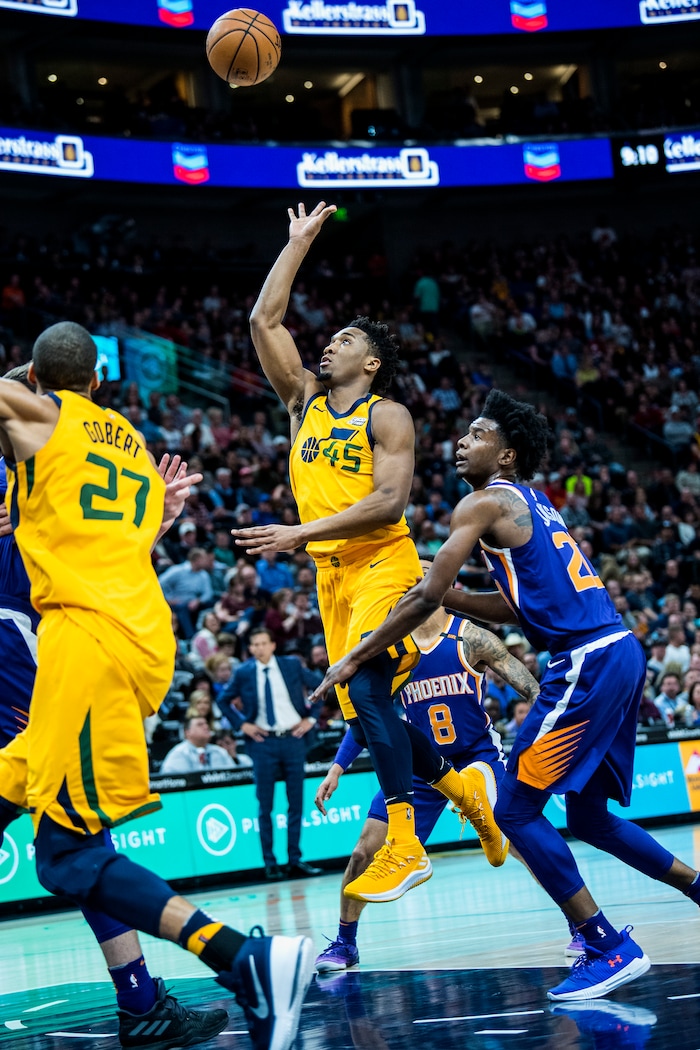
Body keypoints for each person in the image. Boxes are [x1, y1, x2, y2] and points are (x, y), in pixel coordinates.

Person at [314, 388, 700, 1002]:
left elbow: (422, 598)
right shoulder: (533, 504)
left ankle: (606, 944)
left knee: (514, 811)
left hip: (585, 661)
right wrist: (449, 597)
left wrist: (357, 654)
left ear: (508, 454)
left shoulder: (482, 503)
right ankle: (695, 889)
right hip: (618, 650)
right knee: (589, 817)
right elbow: (520, 606)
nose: (462, 441)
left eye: (477, 434)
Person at [0, 322, 313, 1050]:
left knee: (72, 853)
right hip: (125, 643)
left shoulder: (41, 436)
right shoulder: (127, 448)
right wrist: (159, 521)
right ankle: (163, 997)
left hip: (78, 657)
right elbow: (103, 544)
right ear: (101, 380)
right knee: (70, 845)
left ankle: (244, 961)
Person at [234, 201, 488, 903]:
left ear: (370, 362)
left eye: (345, 340)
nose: (330, 345)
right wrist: (297, 244)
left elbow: (389, 503)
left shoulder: (387, 414)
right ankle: (462, 791)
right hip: (329, 577)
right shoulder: (302, 401)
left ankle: (404, 840)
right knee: (367, 709)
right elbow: (264, 322)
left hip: (382, 558)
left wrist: (296, 533)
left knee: (368, 679)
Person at [0, 366, 229, 1048]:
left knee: (79, 843)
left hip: (38, 680)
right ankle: (145, 1000)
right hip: (28, 685)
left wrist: (154, 522)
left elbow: (92, 565)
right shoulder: (27, 483)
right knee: (80, 842)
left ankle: (141, 1001)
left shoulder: (44, 489)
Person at [313, 581, 539, 973]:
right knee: (363, 851)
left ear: (447, 584)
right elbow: (371, 715)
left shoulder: (472, 638)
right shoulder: (390, 644)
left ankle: (581, 924)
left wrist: (539, 746)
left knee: (523, 840)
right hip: (419, 764)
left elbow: (532, 691)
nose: (411, 581)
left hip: (476, 755)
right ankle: (344, 943)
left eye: (423, 573)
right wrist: (337, 767)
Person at [218, 627, 323, 881]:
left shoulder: (291, 665)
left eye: (264, 643)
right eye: (255, 644)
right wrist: (242, 724)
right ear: (250, 649)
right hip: (263, 743)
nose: (260, 648)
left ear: (273, 644)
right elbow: (223, 699)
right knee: (265, 806)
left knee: (295, 803)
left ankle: (295, 859)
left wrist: (310, 718)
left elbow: (320, 686)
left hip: (293, 739)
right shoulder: (244, 672)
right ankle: (270, 862)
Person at [159, 716, 235, 774]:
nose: (206, 727)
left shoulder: (219, 751)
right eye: (200, 725)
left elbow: (235, 775)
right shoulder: (178, 753)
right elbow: (171, 782)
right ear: (187, 732)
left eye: (206, 724)